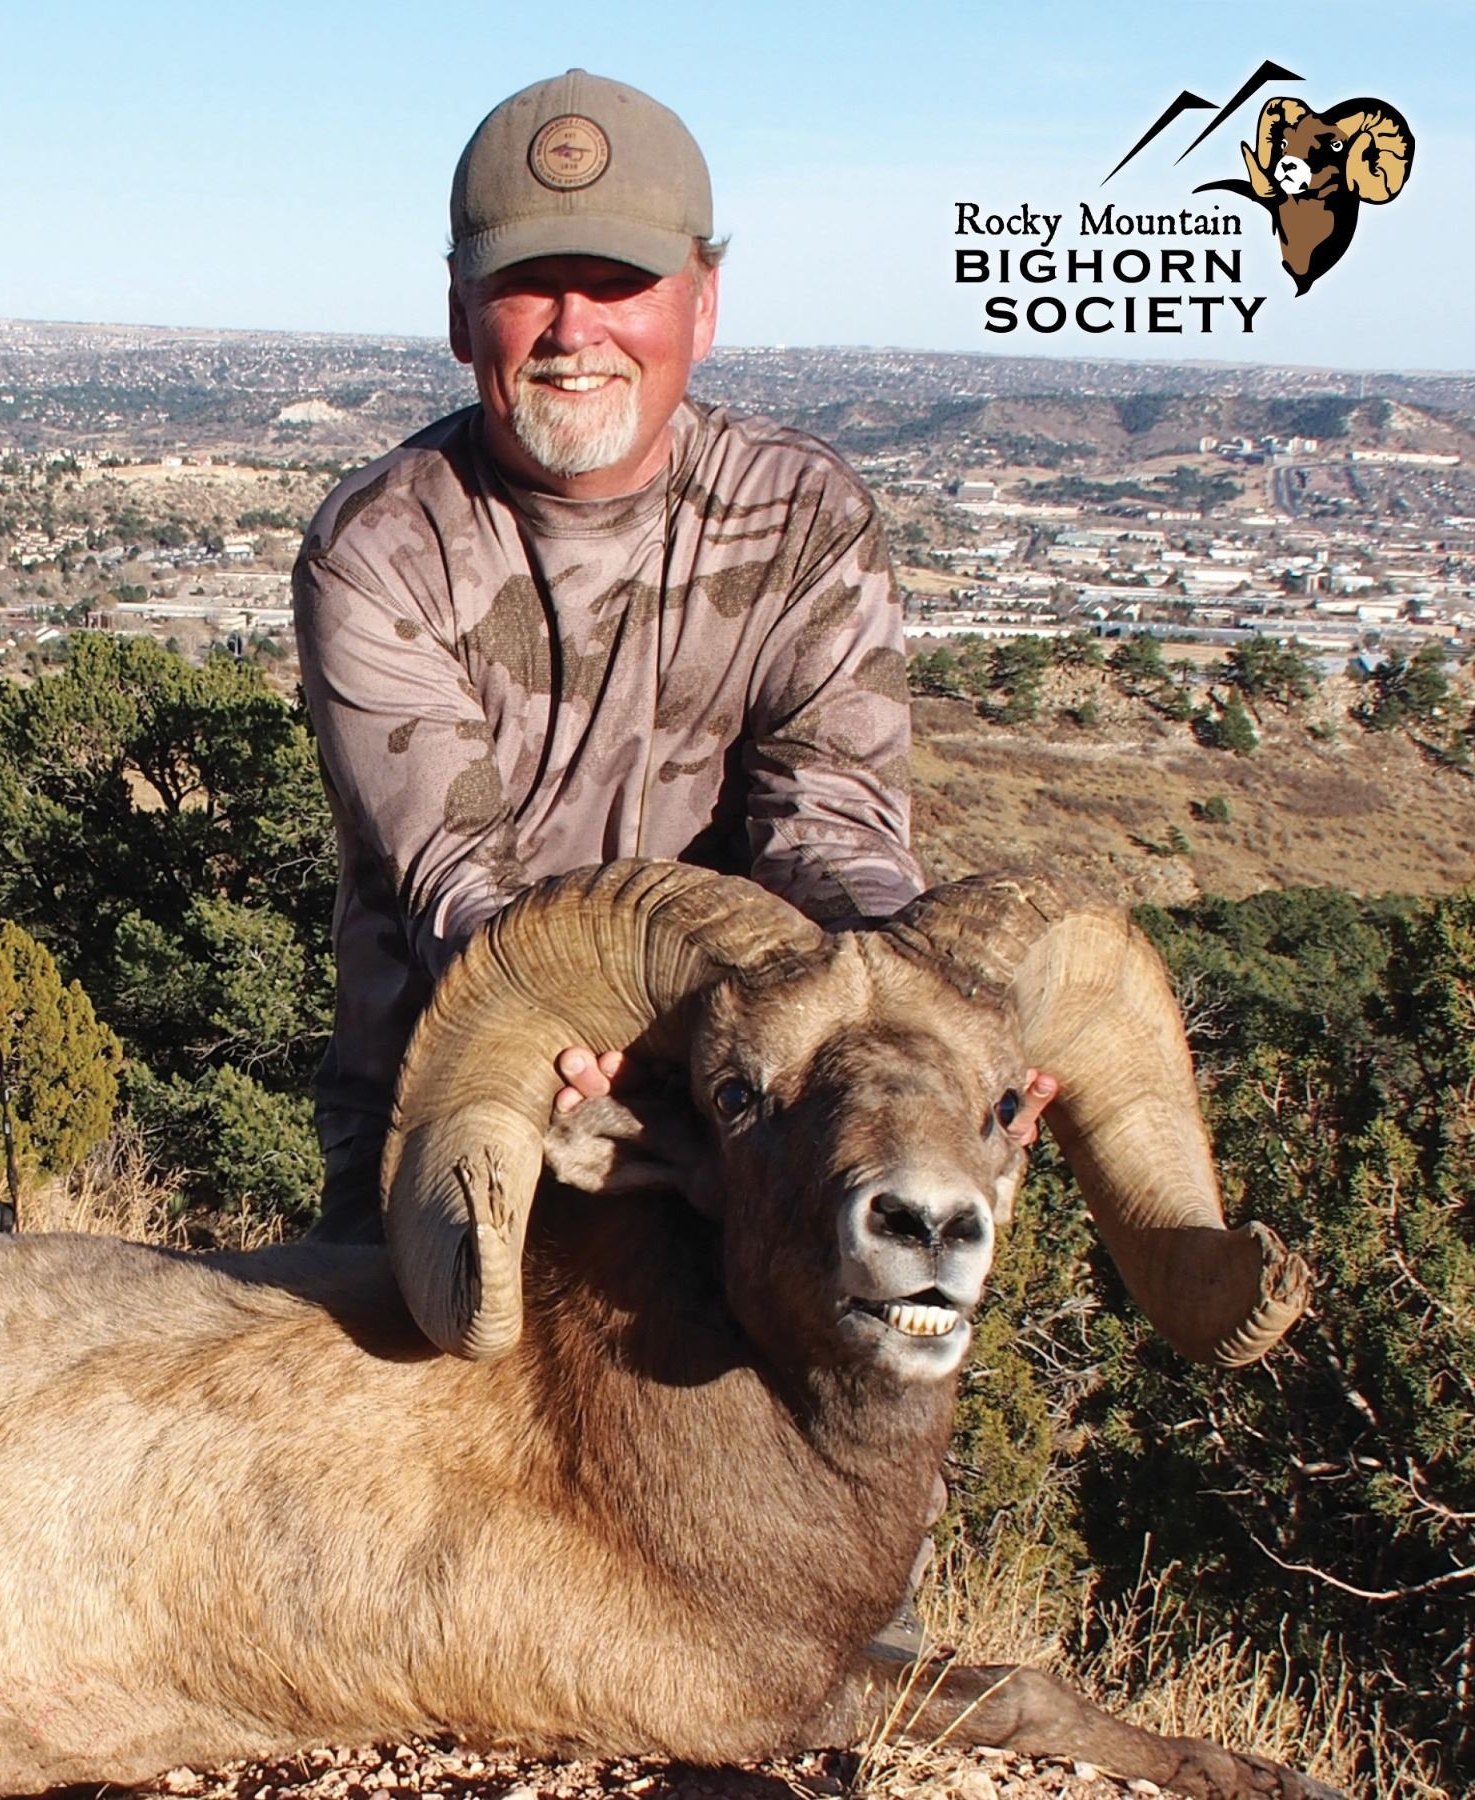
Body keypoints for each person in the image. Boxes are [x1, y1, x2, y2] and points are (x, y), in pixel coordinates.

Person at [293, 68, 1054, 1240]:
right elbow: (458, 883)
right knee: (399, 1353)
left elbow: (832, 830)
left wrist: (923, 1014)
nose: (573, 330)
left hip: (757, 1114)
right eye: (528, 285)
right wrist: (586, 1045)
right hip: (462, 1101)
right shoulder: (382, 545)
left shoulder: (801, 516)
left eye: (620, 283)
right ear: (459, 312)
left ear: (702, 303)